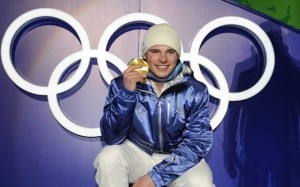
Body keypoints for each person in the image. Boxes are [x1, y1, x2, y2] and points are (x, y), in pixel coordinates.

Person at [94, 23, 215, 187]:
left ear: (177, 56)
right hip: (137, 153)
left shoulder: (195, 90)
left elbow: (196, 142)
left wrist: (155, 177)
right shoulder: (122, 84)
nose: (163, 59)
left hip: (177, 157)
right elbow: (111, 137)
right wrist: (127, 94)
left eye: (170, 52)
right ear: (145, 55)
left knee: (200, 181)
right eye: (155, 51)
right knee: (108, 158)